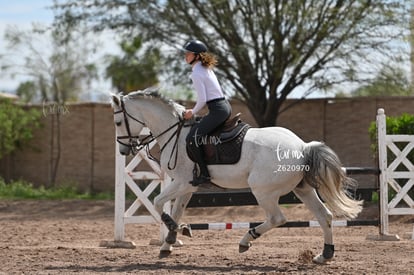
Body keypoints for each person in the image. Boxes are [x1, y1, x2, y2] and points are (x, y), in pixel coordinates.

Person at [182, 39, 232, 186]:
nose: (186, 55)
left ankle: (204, 175)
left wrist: (192, 112)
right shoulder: (205, 69)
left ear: (196, 56)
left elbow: (202, 99)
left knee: (191, 138)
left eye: (188, 53)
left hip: (218, 110)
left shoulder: (196, 74)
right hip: (223, 107)